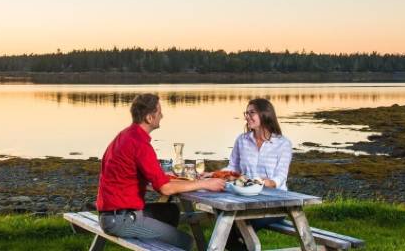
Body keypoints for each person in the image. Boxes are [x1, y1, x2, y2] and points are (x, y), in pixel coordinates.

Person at [96, 93, 225, 251]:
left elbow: (157, 179)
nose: (162, 116)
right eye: (159, 112)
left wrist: (189, 181)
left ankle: (161, 243)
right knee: (186, 242)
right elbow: (165, 188)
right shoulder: (140, 144)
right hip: (121, 220)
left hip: (111, 214)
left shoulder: (125, 135)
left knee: (170, 211)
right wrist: (205, 184)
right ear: (149, 118)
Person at [220, 98, 293, 250]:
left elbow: (280, 178)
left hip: (276, 203)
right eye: (246, 113)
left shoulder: (283, 144)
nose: (247, 117)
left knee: (231, 226)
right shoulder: (242, 140)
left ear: (265, 114)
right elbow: (233, 167)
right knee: (225, 223)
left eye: (251, 113)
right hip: (245, 200)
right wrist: (214, 174)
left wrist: (264, 183)